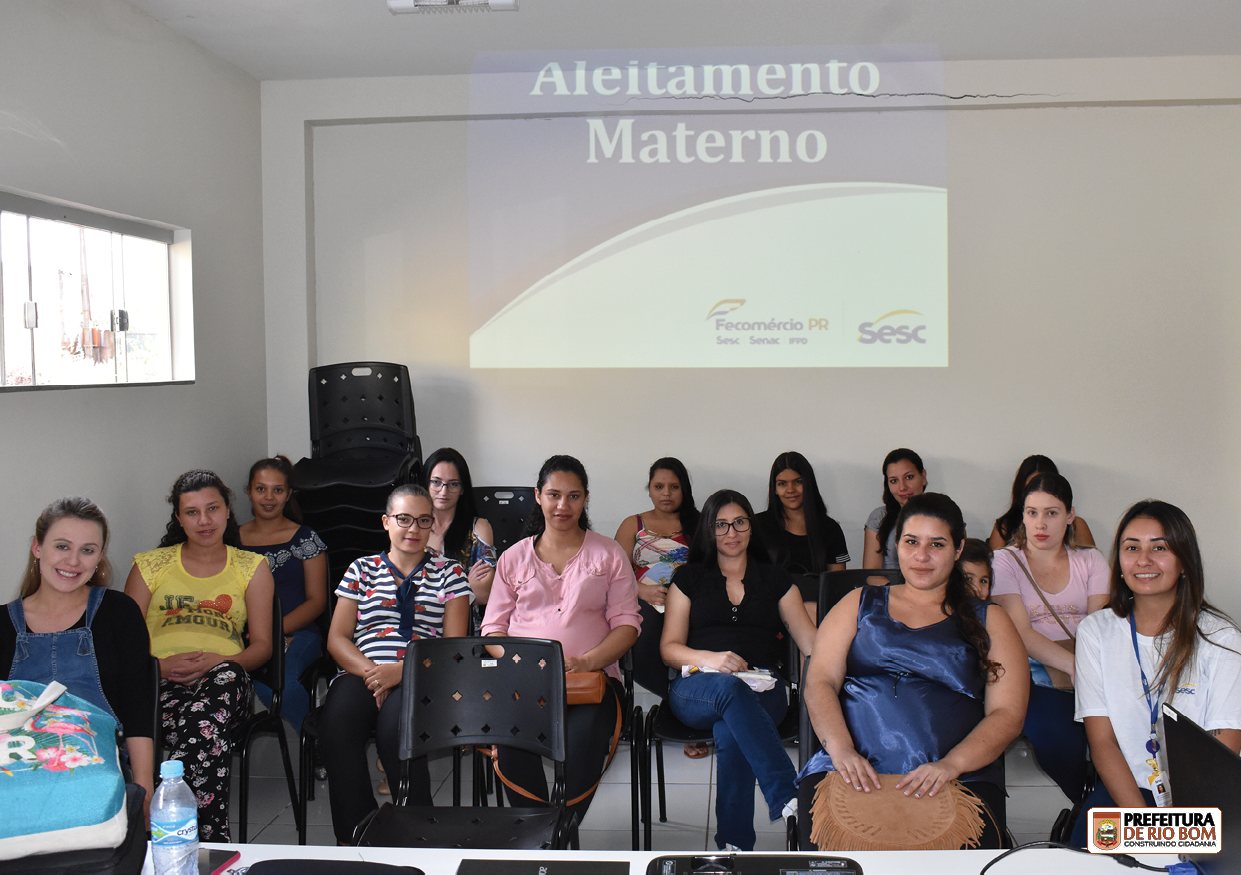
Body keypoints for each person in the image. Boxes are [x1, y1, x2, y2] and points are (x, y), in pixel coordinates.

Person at [799, 493, 1028, 850]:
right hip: (852, 765)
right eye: (911, 542)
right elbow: (819, 681)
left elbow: (1008, 713)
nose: (921, 556)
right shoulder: (858, 603)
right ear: (896, 544)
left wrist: (952, 765)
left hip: (958, 773)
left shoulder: (991, 619)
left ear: (958, 548)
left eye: (936, 544)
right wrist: (842, 751)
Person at [481, 454, 641, 826]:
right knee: (509, 743)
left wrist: (586, 662)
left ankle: (562, 828)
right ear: (538, 496)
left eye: (573, 496)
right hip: (524, 682)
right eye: (554, 494)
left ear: (585, 499)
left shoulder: (609, 553)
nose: (562, 505)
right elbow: (493, 630)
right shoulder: (512, 558)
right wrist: (523, 662)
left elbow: (628, 625)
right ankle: (538, 828)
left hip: (593, 682)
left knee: (583, 742)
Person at [1072, 500, 1241, 847]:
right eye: (1131, 547)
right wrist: (1145, 824)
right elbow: (1102, 741)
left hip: (1203, 797)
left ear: (1184, 561)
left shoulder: (1221, 638)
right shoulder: (1096, 632)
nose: (1143, 560)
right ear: (1118, 561)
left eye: (1159, 548)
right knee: (1082, 859)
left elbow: (1224, 747)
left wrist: (1177, 824)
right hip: (1127, 794)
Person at [661, 489, 818, 851]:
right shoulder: (689, 578)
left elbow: (811, 643)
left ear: (752, 527)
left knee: (732, 730)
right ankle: (786, 791)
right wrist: (712, 660)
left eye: (740, 522)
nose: (731, 532)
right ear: (708, 530)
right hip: (697, 686)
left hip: (764, 688)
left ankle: (733, 847)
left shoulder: (776, 580)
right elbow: (669, 649)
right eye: (721, 525)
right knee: (731, 691)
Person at [124, 470, 274, 842]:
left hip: (225, 681)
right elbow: (123, 646)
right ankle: (207, 841)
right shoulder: (150, 566)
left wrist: (219, 662)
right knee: (200, 731)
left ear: (227, 511)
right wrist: (157, 667)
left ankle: (175, 833)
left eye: (212, 509)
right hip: (160, 681)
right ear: (178, 518)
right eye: (192, 512)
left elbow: (262, 647)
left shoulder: (251, 568)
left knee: (214, 696)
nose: (204, 521)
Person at [318, 484, 471, 845]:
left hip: (425, 675)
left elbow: (452, 648)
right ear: (386, 522)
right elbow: (337, 638)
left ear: (433, 525)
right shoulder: (361, 570)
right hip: (362, 672)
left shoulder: (450, 573)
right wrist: (375, 673)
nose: (413, 529)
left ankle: (417, 829)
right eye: (403, 519)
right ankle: (358, 832)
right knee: (336, 726)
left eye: (423, 521)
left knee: (396, 729)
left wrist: (400, 673)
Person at [1, 498, 157, 820]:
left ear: (99, 557)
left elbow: (137, 705)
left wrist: (144, 787)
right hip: (16, 773)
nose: (73, 561)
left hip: (100, 768)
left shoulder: (119, 612)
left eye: (87, 550)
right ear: (37, 547)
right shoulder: (3, 623)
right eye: (62, 546)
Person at [990, 472, 1107, 802]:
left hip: (1091, 668)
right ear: (1022, 515)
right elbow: (1021, 633)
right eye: (1032, 512)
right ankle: (1085, 808)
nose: (1040, 523)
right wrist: (1075, 667)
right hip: (1036, 674)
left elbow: (1100, 627)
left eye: (1052, 513)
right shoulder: (1004, 561)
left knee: (1118, 738)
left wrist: (1086, 670)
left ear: (1070, 516)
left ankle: (1099, 808)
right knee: (1054, 738)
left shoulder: (1091, 560)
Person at [238, 455, 328, 735]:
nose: (268, 497)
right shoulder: (231, 540)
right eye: (260, 488)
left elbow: (317, 601)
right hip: (243, 637)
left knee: (279, 684)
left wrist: (275, 631)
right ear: (249, 491)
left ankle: (320, 743)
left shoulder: (305, 538)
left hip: (298, 633)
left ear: (289, 494)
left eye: (278, 490)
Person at [613, 457, 698, 702]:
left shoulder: (699, 523)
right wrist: (641, 590)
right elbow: (615, 573)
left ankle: (689, 699)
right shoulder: (633, 524)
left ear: (684, 489)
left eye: (674, 487)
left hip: (689, 603)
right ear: (649, 490)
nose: (666, 493)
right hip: (642, 601)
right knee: (641, 640)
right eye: (659, 487)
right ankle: (675, 702)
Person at [419, 447, 496, 606]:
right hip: (419, 624)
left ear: (462, 489)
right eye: (436, 482)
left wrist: (429, 588)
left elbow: (483, 594)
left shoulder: (479, 528)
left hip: (465, 627)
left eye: (453, 484)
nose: (443, 491)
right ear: (425, 484)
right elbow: (404, 587)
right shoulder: (411, 527)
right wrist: (465, 583)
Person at [756, 451, 849, 577]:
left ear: (809, 484)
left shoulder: (830, 529)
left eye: (798, 481)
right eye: (782, 484)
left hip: (816, 597)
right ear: (775, 489)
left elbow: (838, 584)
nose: (790, 490)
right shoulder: (757, 526)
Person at [988, 455, 1096, 549]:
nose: (1039, 493)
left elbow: (1091, 562)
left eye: (1045, 488)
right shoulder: (1005, 526)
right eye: (1031, 487)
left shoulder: (1076, 525)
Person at [863, 448, 927, 570]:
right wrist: (898, 590)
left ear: (923, 476)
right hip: (889, 588)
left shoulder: (944, 515)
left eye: (909, 477)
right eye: (894, 481)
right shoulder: (879, 517)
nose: (902, 487)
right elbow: (871, 574)